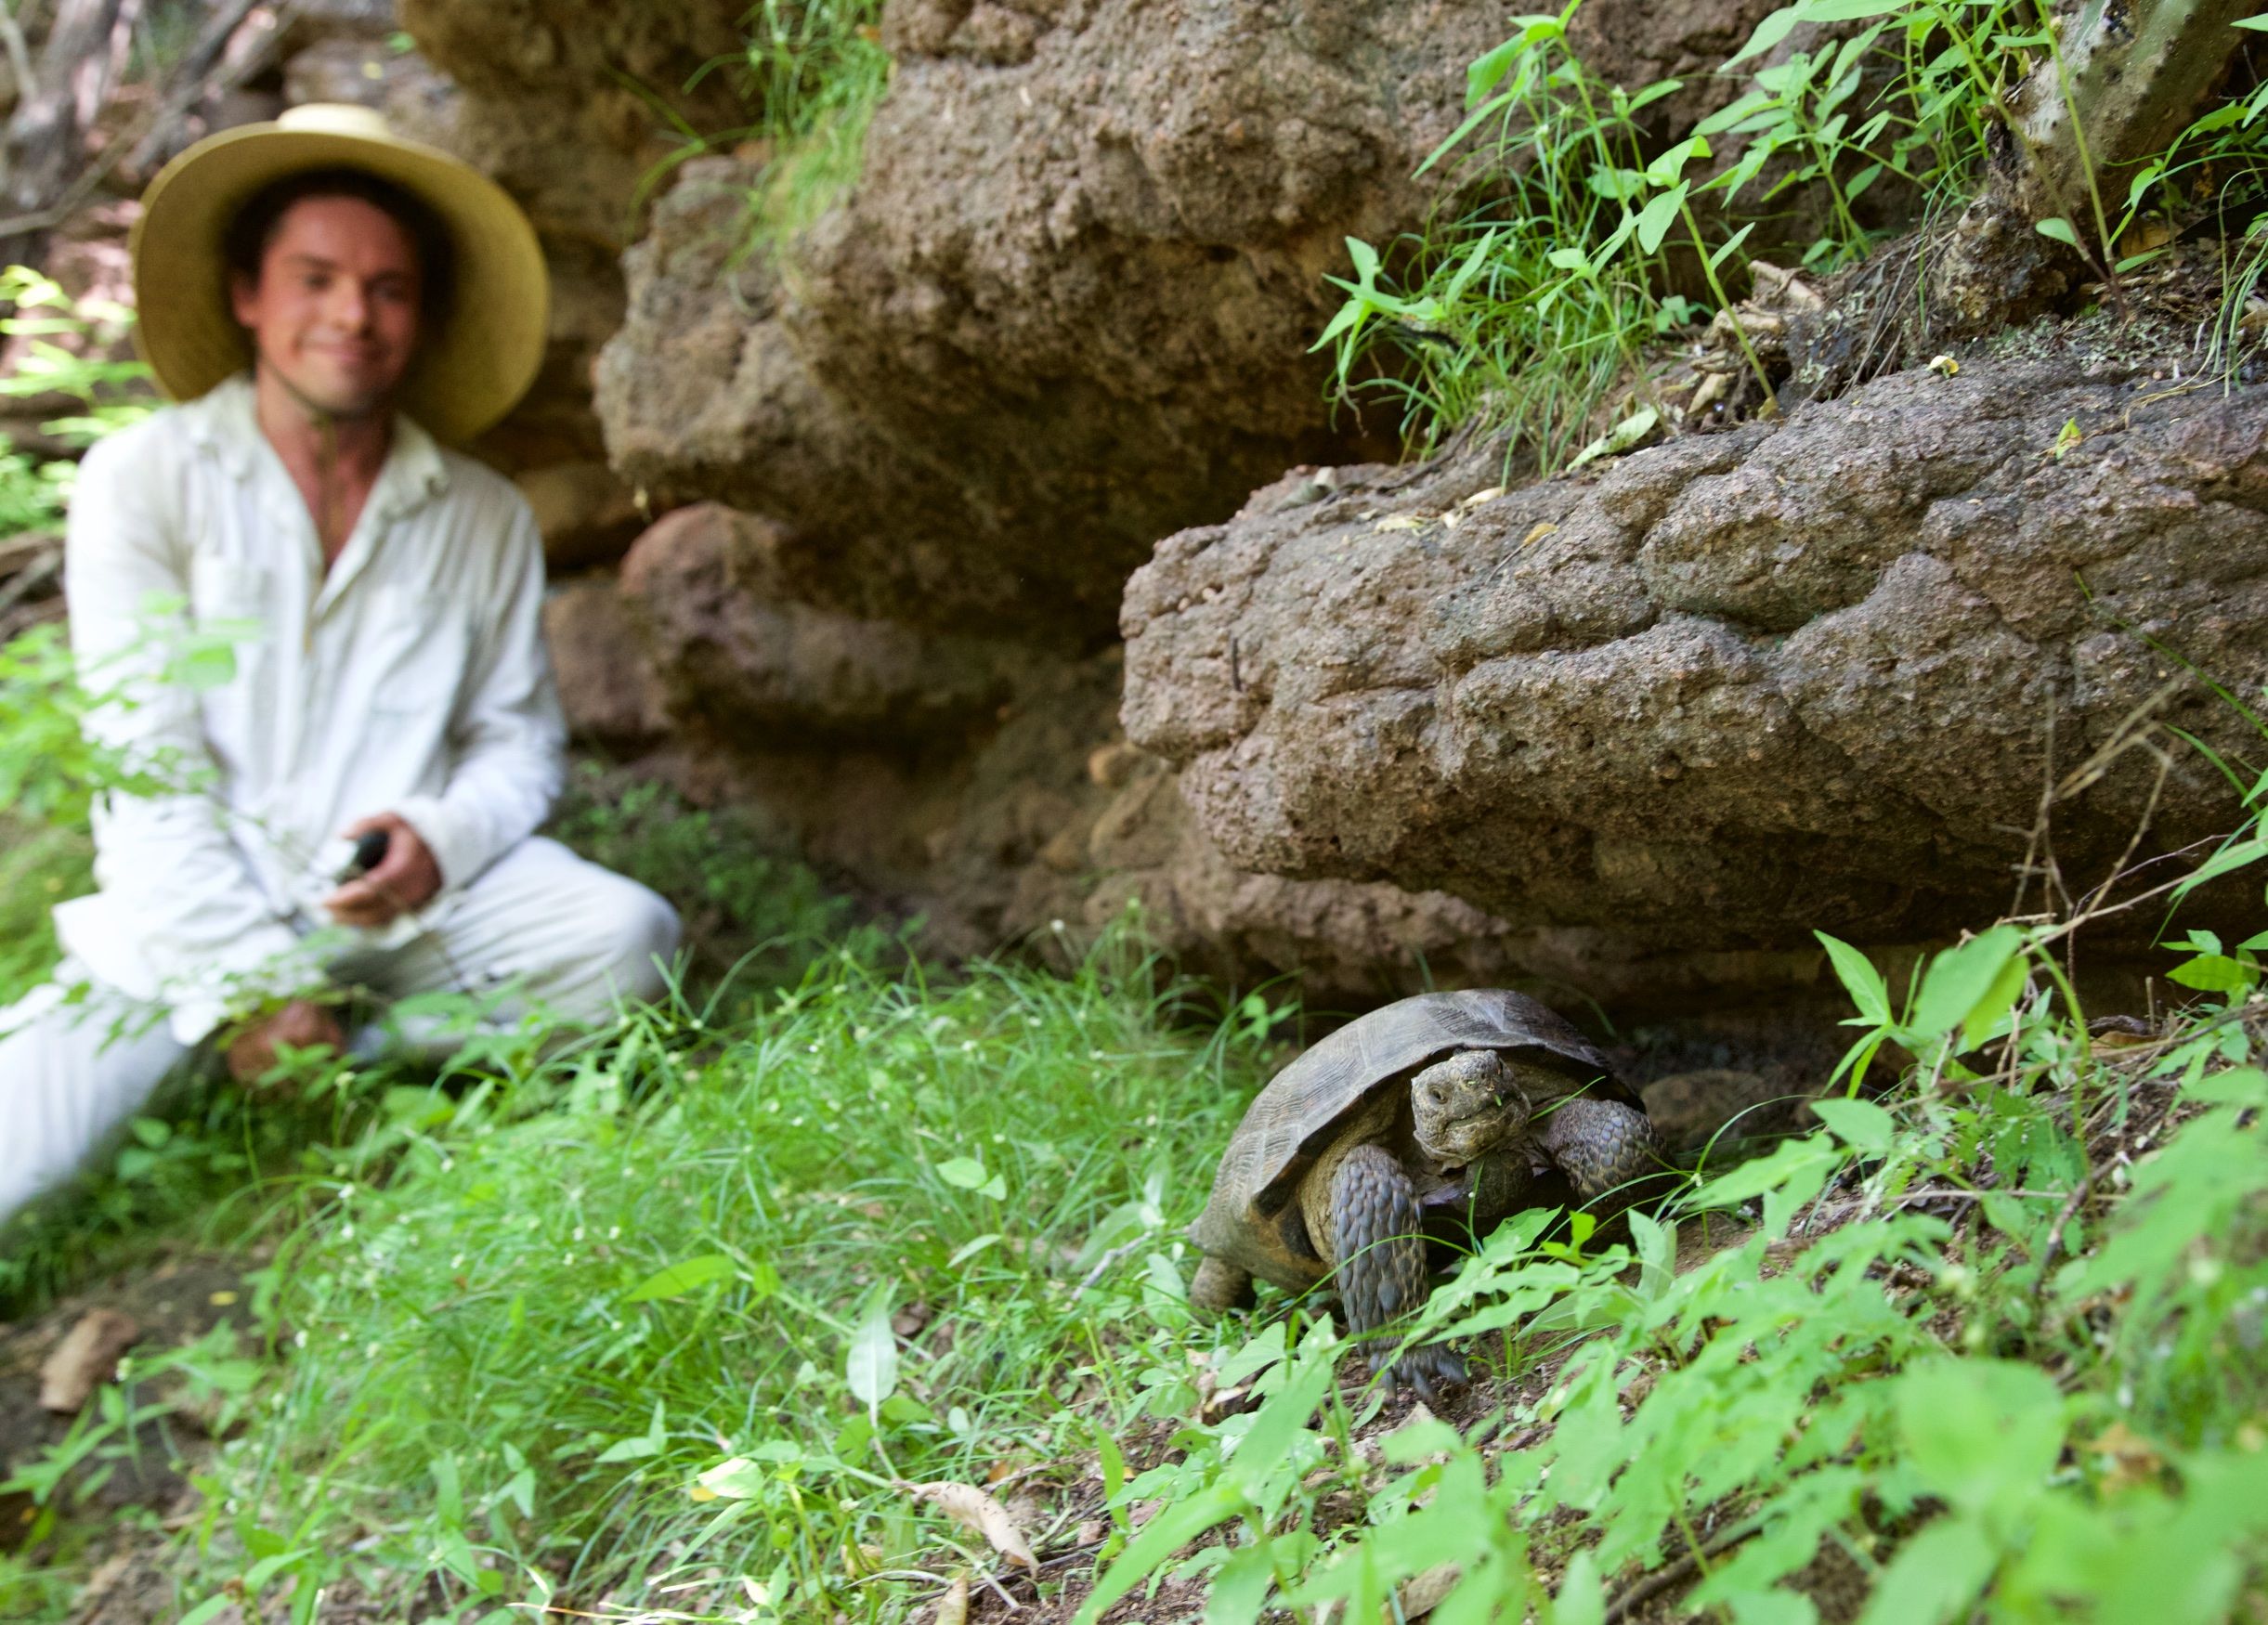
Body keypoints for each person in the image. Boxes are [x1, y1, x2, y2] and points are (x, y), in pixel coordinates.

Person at [0, 104, 681, 1223]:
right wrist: (251, 985)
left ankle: (354, 1052)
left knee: (626, 944)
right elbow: (146, 767)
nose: (351, 315)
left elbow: (516, 743)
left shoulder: (481, 515)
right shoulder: (145, 481)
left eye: (389, 287)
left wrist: (439, 837)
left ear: (421, 314)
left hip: (394, 923)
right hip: (178, 931)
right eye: (314, 278)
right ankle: (246, 1044)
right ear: (247, 294)